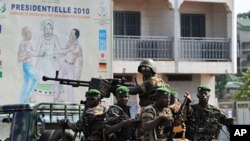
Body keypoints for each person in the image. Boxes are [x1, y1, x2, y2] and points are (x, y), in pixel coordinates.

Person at [54, 28, 83, 102]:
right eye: (70, 34)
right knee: (57, 80)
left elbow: (80, 61)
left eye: (71, 34)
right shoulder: (68, 43)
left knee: (69, 85)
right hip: (64, 64)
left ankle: (71, 102)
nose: (69, 35)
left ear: (75, 37)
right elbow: (64, 53)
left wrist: (78, 74)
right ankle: (56, 97)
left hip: (71, 67)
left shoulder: (78, 48)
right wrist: (57, 56)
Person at [17, 26, 39, 103]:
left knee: (26, 84)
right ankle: (28, 96)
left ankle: (22, 101)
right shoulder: (23, 44)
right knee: (36, 79)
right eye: (29, 32)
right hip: (26, 66)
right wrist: (27, 55)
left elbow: (34, 53)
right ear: (24, 34)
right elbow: (19, 59)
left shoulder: (28, 43)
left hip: (27, 66)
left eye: (30, 32)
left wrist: (39, 53)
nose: (31, 34)